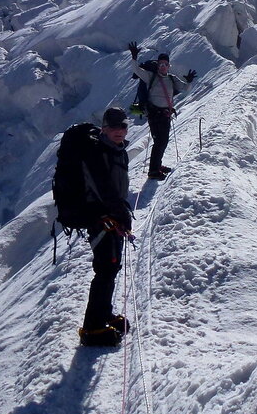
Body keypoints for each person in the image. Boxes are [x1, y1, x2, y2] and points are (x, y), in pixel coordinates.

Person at [77, 107, 134, 347]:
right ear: (104, 129)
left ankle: (103, 314)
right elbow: (103, 189)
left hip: (112, 219)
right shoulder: (98, 153)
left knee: (111, 267)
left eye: (123, 127)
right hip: (101, 219)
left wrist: (121, 213)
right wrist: (120, 214)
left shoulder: (117, 150)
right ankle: (92, 328)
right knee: (105, 270)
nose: (119, 131)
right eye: (114, 127)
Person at [129, 43, 197, 180]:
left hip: (165, 114)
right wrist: (134, 57)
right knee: (160, 141)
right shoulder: (150, 76)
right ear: (158, 65)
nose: (163, 66)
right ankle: (153, 171)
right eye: (161, 64)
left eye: (165, 64)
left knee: (163, 141)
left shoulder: (172, 79)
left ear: (169, 66)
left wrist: (189, 82)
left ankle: (157, 165)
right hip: (154, 114)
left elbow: (185, 89)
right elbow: (136, 70)